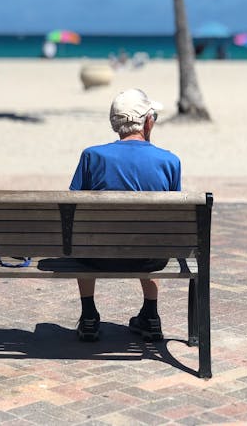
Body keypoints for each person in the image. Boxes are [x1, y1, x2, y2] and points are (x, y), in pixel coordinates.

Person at [69, 88, 181, 342]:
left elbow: (72, 207)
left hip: (97, 256)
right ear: (148, 122)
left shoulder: (92, 156)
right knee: (152, 234)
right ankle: (151, 315)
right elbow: (172, 219)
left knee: (83, 237)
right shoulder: (169, 161)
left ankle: (88, 316)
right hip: (150, 258)